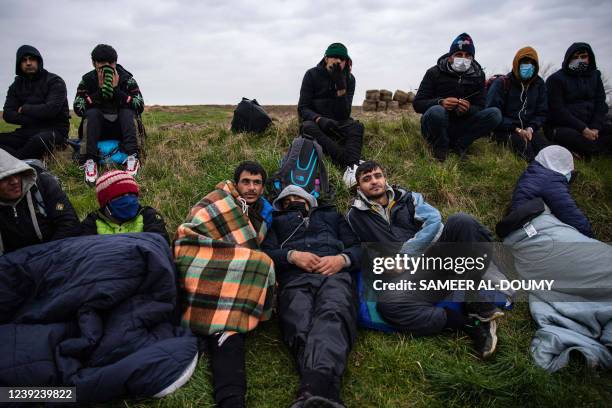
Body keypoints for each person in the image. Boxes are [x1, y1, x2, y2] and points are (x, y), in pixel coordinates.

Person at [346, 160, 503, 358]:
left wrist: (406, 253)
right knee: (388, 306)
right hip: (410, 276)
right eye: (366, 179)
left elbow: (434, 220)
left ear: (385, 178)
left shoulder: (409, 198)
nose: (374, 181)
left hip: (436, 257)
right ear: (358, 186)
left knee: (461, 221)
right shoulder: (354, 216)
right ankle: (471, 325)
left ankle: (474, 299)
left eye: (378, 176)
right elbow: (360, 249)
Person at [496, 145, 612, 372]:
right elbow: (576, 219)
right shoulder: (551, 181)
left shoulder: (534, 173)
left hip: (526, 247)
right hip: (542, 236)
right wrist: (585, 238)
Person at [174, 161, 274, 408]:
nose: (251, 188)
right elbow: (192, 230)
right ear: (236, 183)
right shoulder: (220, 199)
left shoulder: (264, 212)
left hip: (233, 273)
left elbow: (248, 246)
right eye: (246, 182)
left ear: (263, 187)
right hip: (197, 258)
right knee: (261, 263)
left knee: (259, 263)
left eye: (257, 183)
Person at [262, 185, 360, 408]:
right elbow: (264, 253)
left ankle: (310, 392)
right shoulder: (275, 222)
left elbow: (358, 248)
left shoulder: (332, 216)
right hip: (294, 279)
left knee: (332, 314)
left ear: (310, 201)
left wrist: (342, 260)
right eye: (287, 200)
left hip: (333, 275)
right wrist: (291, 255)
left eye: (298, 197)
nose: (292, 201)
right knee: (298, 325)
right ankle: (326, 392)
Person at [413, 33, 502, 161]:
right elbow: (418, 104)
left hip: (462, 126)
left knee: (495, 114)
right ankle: (440, 147)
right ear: (450, 57)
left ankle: (460, 145)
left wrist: (469, 109)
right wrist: (440, 102)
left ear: (472, 58)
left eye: (468, 56)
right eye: (459, 55)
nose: (463, 58)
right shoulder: (433, 72)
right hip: (435, 125)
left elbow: (481, 106)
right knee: (437, 110)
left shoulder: (478, 76)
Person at [74, 44, 145, 183]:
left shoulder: (127, 79)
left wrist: (117, 91)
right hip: (98, 129)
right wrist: (100, 92)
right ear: (94, 63)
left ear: (115, 62)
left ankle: (132, 157)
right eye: (101, 62)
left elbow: (139, 106)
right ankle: (90, 160)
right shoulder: (87, 80)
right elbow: (78, 108)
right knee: (92, 113)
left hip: (122, 129)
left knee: (127, 111)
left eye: (110, 63)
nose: (106, 67)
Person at [298, 42, 364, 187]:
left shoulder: (350, 79)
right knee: (307, 127)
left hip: (338, 122)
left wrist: (341, 86)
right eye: (334, 57)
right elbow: (303, 108)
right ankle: (351, 163)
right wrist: (319, 119)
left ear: (346, 62)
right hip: (317, 122)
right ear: (326, 58)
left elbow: (344, 114)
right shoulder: (311, 75)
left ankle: (351, 167)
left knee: (357, 127)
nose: (338, 61)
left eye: (342, 58)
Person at [0, 148, 80, 254]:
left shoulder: (44, 185)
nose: (14, 181)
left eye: (16, 174)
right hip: (11, 264)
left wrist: (46, 256)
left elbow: (69, 222)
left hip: (54, 254)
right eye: (5, 178)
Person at [1, 45, 70, 160]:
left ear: (38, 61)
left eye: (31, 59)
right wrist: (37, 116)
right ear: (19, 64)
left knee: (39, 140)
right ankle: (21, 159)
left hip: (55, 132)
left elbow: (51, 110)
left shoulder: (55, 81)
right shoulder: (16, 86)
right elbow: (7, 114)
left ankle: (17, 160)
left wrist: (25, 109)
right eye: (24, 60)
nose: (28, 63)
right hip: (26, 131)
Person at [545, 42, 611, 157]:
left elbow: (601, 104)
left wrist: (595, 128)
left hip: (591, 125)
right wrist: (583, 129)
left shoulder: (595, 76)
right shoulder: (555, 79)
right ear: (568, 59)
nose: (579, 60)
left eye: (583, 57)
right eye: (575, 57)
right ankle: (588, 150)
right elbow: (558, 111)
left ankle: (587, 151)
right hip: (564, 126)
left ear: (589, 58)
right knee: (576, 140)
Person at [487, 46, 550, 161]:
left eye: (532, 63)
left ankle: (561, 173)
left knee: (545, 148)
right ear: (517, 63)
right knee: (527, 150)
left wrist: (531, 128)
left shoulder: (539, 84)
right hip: (505, 130)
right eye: (525, 62)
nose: (528, 66)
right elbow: (492, 113)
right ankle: (539, 173)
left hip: (529, 130)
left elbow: (542, 112)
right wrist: (516, 128)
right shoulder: (502, 83)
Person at [80, 170, 169, 242]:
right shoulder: (92, 223)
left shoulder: (149, 216)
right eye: (120, 196)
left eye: (131, 194)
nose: (128, 200)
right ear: (106, 202)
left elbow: (159, 244)